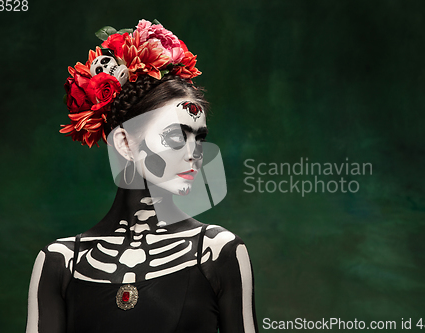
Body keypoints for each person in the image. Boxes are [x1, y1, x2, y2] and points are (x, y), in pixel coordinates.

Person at [26, 19, 258, 333]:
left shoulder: (218, 252)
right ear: (124, 142)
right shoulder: (61, 262)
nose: (194, 152)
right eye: (177, 137)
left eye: (200, 138)